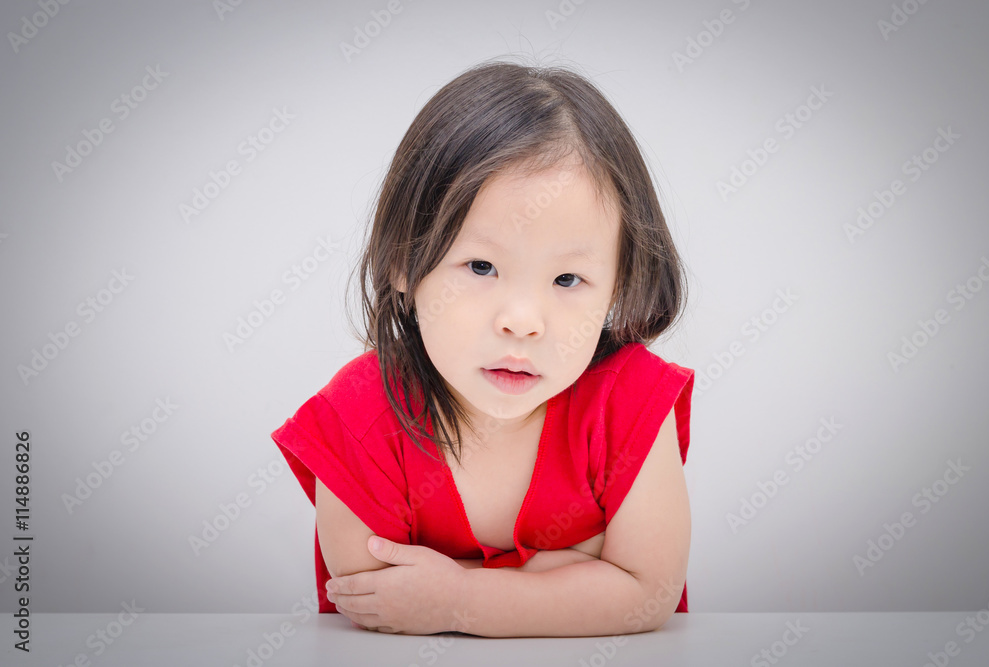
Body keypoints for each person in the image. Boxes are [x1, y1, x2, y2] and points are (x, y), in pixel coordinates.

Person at [271, 57, 695, 638]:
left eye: (567, 280)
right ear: (402, 260)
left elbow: (650, 594)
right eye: (481, 266)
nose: (522, 322)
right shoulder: (360, 414)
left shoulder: (632, 402)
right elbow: (370, 590)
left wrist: (457, 599)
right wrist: (581, 569)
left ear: (619, 284)